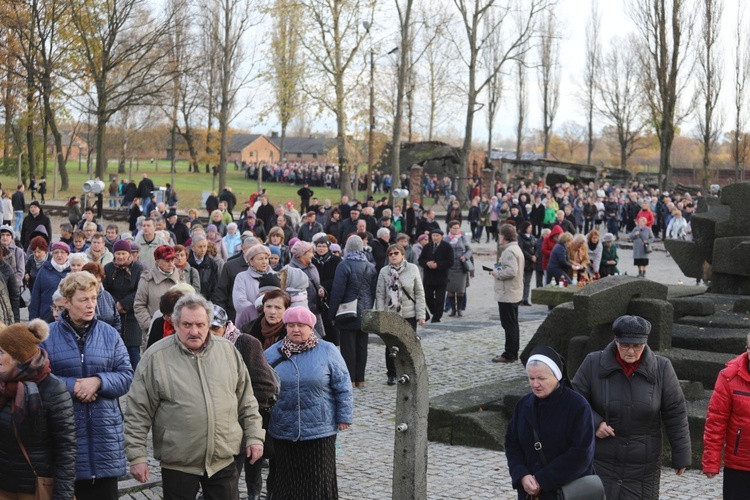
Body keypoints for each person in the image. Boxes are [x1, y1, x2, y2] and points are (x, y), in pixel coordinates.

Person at [125, 293, 265, 500]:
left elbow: (246, 400)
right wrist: (137, 456)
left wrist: (254, 436)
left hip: (223, 459)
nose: (194, 331)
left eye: (200, 324)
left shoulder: (228, 351)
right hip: (178, 463)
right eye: (187, 324)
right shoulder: (156, 357)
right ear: (175, 323)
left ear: (209, 323)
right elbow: (138, 411)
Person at [572, 315, 691, 500]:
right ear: (616, 341)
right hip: (601, 459)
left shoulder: (662, 368)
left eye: (637, 346)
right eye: (625, 345)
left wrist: (681, 455)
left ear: (645, 344)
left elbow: (676, 413)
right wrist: (595, 422)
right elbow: (575, 401)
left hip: (643, 466)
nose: (631, 351)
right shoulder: (593, 362)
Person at [42, 271, 133, 499]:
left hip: (105, 439)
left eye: (93, 298)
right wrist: (73, 386)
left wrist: (99, 382)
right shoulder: (47, 337)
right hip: (65, 439)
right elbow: (38, 381)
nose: (91, 304)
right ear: (66, 302)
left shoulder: (110, 334)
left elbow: (126, 375)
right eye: (83, 299)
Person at [265, 307, 353, 498]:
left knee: (318, 478)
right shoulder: (272, 353)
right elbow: (262, 387)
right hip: (283, 427)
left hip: (319, 429)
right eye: (290, 325)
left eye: (301, 325)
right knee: (286, 479)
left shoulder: (327, 350)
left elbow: (343, 385)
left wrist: (344, 415)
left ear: (311, 327)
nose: (295, 329)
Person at [505, 346, 596, 499]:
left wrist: (542, 480)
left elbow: (581, 454)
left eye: (541, 378)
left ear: (557, 377)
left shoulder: (577, 406)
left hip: (568, 492)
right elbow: (512, 444)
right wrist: (521, 474)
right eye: (531, 379)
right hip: (530, 493)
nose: (535, 384)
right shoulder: (523, 405)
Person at [0, 320, 77, 499]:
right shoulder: (2, 385)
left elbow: (65, 448)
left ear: (18, 357)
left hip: (35, 489)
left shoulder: (53, 388)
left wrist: (63, 496)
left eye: (1, 352)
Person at [208, 304, 276, 500]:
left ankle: (252, 494)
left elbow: (265, 386)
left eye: (215, 329)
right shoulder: (197, 348)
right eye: (207, 329)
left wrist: (237, 406)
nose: (211, 335)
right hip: (214, 427)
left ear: (225, 326)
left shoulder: (245, 343)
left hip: (241, 420)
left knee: (242, 468)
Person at [703, 332, 750, 498]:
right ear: (747, 349)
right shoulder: (728, 377)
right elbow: (716, 421)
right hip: (738, 466)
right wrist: (711, 461)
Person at [328, 235, 377, 387]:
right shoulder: (370, 266)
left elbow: (337, 292)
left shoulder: (344, 265)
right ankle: (360, 379)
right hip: (365, 312)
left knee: (348, 348)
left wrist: (332, 313)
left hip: (348, 312)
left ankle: (350, 380)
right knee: (362, 347)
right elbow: (373, 292)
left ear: (347, 248)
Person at [375, 243, 426, 385]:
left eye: (396, 253)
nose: (393, 256)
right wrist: (380, 315)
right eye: (390, 254)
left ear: (403, 255)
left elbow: (419, 293)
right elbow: (380, 294)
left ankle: (409, 370)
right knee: (390, 345)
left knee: (408, 343)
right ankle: (391, 373)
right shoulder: (384, 271)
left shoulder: (413, 269)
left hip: (409, 313)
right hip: (391, 313)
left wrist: (421, 315)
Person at [133, 245, 190, 342]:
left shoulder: (180, 277)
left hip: (179, 331)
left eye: (172, 260)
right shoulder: (147, 279)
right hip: (155, 333)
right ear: (157, 261)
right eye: (167, 261)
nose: (171, 264)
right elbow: (139, 305)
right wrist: (151, 325)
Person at [104, 240, 144, 369]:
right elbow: (104, 290)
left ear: (129, 254)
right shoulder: (108, 268)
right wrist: (115, 304)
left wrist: (124, 304)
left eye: (123, 253)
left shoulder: (138, 269)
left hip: (132, 317)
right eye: (118, 253)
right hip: (112, 314)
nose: (120, 256)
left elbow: (140, 290)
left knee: (133, 355)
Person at [490, 224, 524, 363]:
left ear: (503, 236)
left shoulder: (510, 251)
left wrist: (496, 273)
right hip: (512, 291)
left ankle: (509, 353)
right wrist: (496, 267)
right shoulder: (513, 248)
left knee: (509, 325)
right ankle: (513, 352)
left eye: (499, 235)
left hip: (508, 293)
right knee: (513, 324)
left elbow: (511, 271)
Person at [418, 228, 453, 324]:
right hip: (428, 277)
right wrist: (427, 263)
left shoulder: (447, 247)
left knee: (440, 299)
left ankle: (437, 317)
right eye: (433, 235)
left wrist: (438, 265)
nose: (435, 237)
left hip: (441, 277)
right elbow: (421, 260)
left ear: (441, 237)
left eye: (437, 236)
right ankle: (435, 312)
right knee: (427, 297)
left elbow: (450, 262)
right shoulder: (427, 247)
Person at [29, 241, 71, 323]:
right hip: (46, 316)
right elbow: (35, 296)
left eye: (62, 252)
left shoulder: (72, 271)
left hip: (68, 317)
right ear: (52, 254)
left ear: (67, 254)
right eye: (56, 252)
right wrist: (33, 320)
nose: (59, 255)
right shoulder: (44, 270)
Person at [233, 245, 274, 327]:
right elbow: (240, 302)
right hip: (248, 323)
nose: (264, 262)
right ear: (251, 262)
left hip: (272, 323)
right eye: (260, 259)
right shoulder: (242, 277)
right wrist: (259, 312)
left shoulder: (275, 276)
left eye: (266, 258)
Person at [82, 262, 122, 334]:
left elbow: (116, 320)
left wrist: (114, 338)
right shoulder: (79, 297)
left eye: (97, 281)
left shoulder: (107, 296)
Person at [444, 220, 471, 317]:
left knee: (460, 290)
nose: (456, 230)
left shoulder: (463, 238)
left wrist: (465, 256)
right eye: (454, 228)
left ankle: (459, 309)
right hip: (450, 268)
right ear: (450, 229)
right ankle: (453, 310)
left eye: (457, 228)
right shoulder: (446, 239)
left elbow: (469, 250)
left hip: (461, 268)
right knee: (450, 290)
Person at [518, 221, 536, 306]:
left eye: (531, 228)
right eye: (529, 228)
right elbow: (521, 249)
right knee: (521, 281)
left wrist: (535, 256)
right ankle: (520, 298)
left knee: (527, 282)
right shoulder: (520, 237)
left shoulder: (532, 237)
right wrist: (530, 256)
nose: (531, 229)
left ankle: (526, 298)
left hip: (531, 262)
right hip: (523, 261)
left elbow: (536, 247)